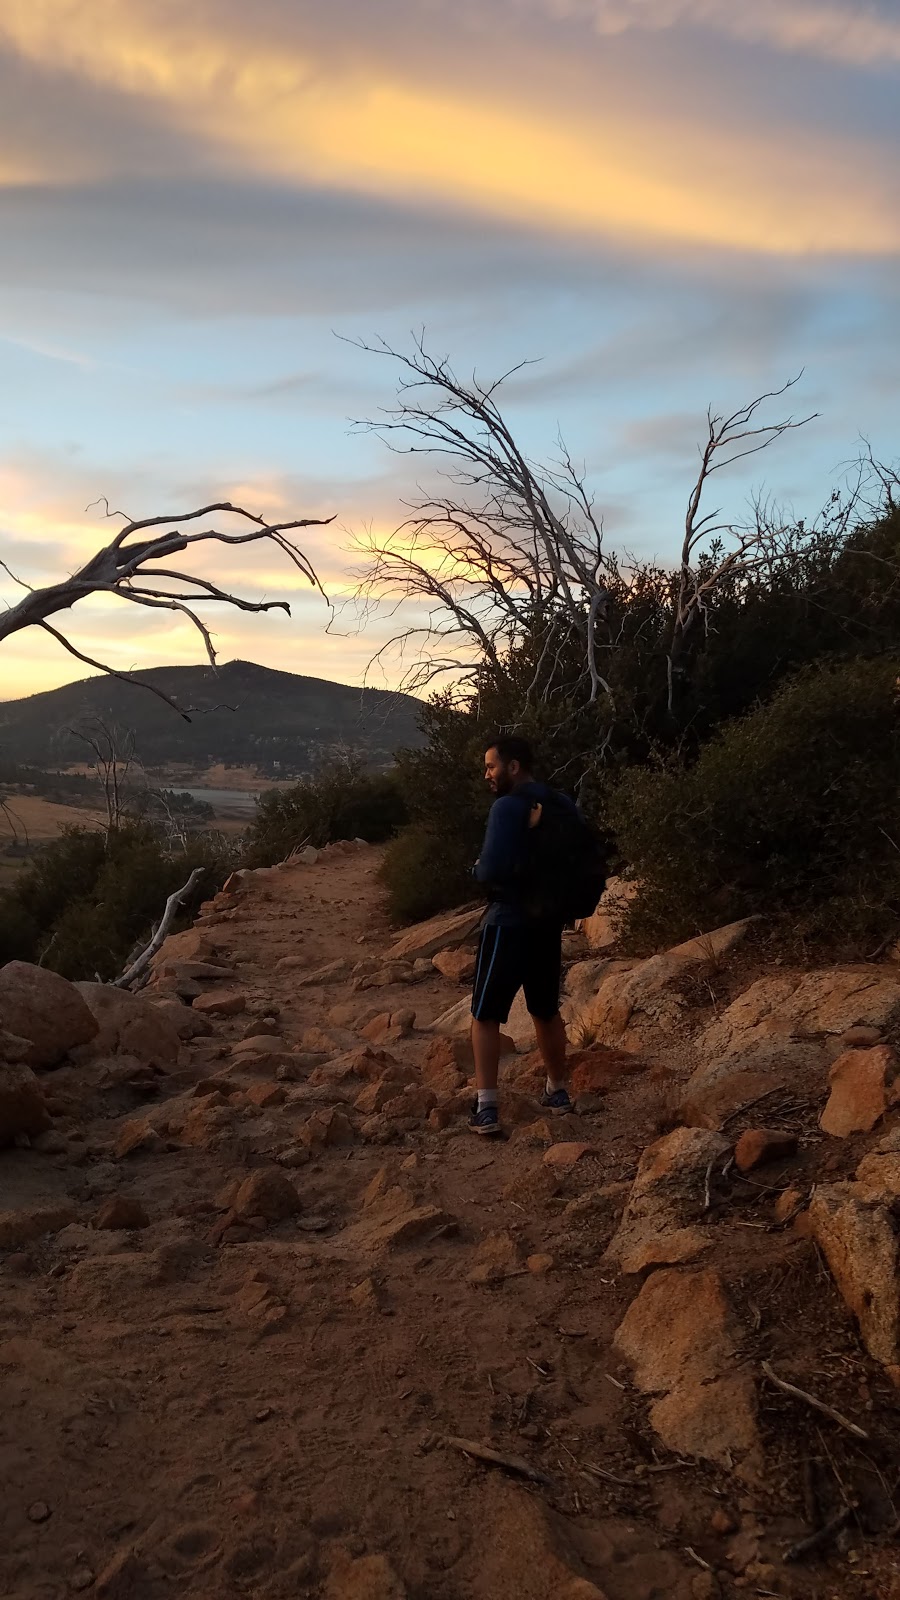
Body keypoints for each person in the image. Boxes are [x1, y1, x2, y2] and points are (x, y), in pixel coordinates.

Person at [468, 736, 574, 1136]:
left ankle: (487, 1107)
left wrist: (475, 870)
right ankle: (558, 1091)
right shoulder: (561, 804)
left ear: (513, 767)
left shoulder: (505, 808)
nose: (487, 775)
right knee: (545, 1010)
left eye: (491, 766)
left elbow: (491, 869)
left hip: (508, 922)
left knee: (485, 1014)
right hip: (546, 924)